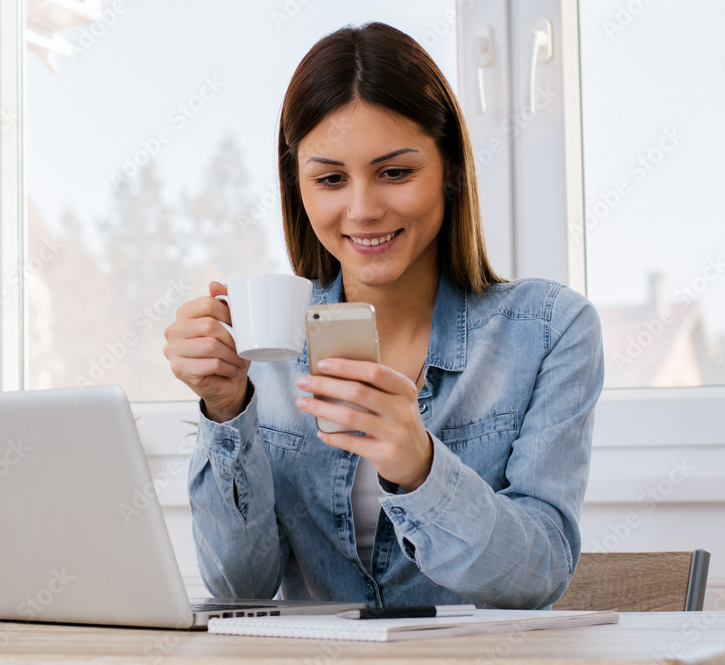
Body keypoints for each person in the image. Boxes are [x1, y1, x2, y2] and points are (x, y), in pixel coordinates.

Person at [163, 22, 603, 609]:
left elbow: (539, 573)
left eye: (395, 172)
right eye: (330, 179)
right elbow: (240, 586)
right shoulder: (264, 345)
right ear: (298, 187)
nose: (363, 209)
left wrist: (419, 467)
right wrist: (225, 410)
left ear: (448, 170)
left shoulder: (550, 329)